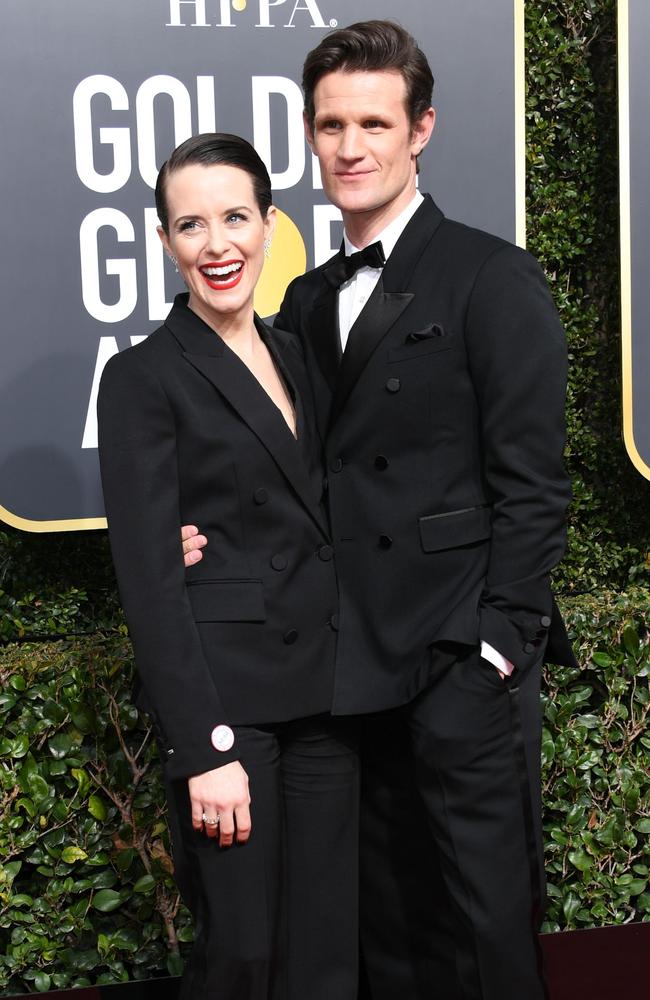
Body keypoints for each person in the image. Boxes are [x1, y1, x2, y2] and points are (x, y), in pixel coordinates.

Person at [180, 20, 577, 1000]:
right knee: (387, 925)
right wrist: (196, 532)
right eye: (329, 125)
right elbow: (290, 473)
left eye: (371, 122)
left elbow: (534, 485)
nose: (349, 147)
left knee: (485, 924)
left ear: (419, 130)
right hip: (350, 669)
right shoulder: (307, 299)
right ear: (309, 136)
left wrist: (497, 642)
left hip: (457, 658)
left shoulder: (490, 276)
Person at [97, 133, 360, 1000]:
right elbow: (149, 583)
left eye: (236, 218)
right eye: (191, 225)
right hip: (230, 715)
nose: (218, 245)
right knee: (242, 955)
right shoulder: (143, 377)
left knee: (325, 957)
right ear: (167, 242)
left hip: (326, 698)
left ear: (270, 223)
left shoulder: (302, 354)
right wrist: (202, 747)